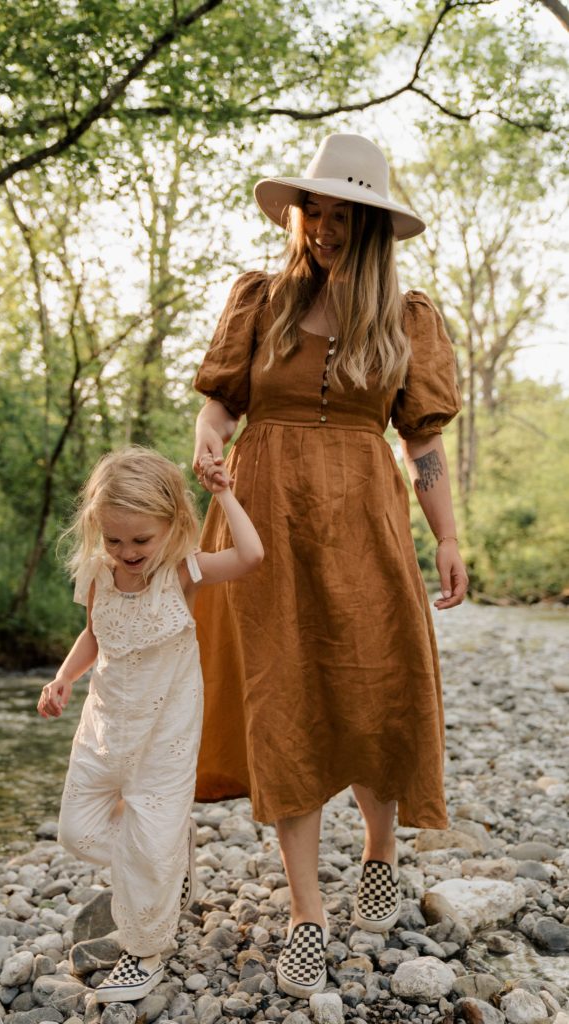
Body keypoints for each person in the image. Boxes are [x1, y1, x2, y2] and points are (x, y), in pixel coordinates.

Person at [192, 133, 468, 999]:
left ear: (373, 226)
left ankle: (380, 851)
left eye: (343, 216)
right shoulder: (261, 298)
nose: (323, 228)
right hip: (262, 519)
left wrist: (447, 538)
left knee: (374, 683)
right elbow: (219, 405)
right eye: (314, 212)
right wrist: (208, 440)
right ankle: (306, 912)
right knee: (283, 697)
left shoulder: (407, 318)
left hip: (363, 519)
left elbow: (420, 444)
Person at [37, 446, 263, 1003]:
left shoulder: (182, 571)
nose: (127, 552)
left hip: (167, 731)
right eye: (114, 539)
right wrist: (64, 677)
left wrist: (224, 493)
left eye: (141, 539)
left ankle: (146, 951)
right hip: (105, 726)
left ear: (172, 524)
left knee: (147, 846)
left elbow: (251, 556)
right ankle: (166, 855)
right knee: (77, 832)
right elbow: (95, 634)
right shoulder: (99, 573)